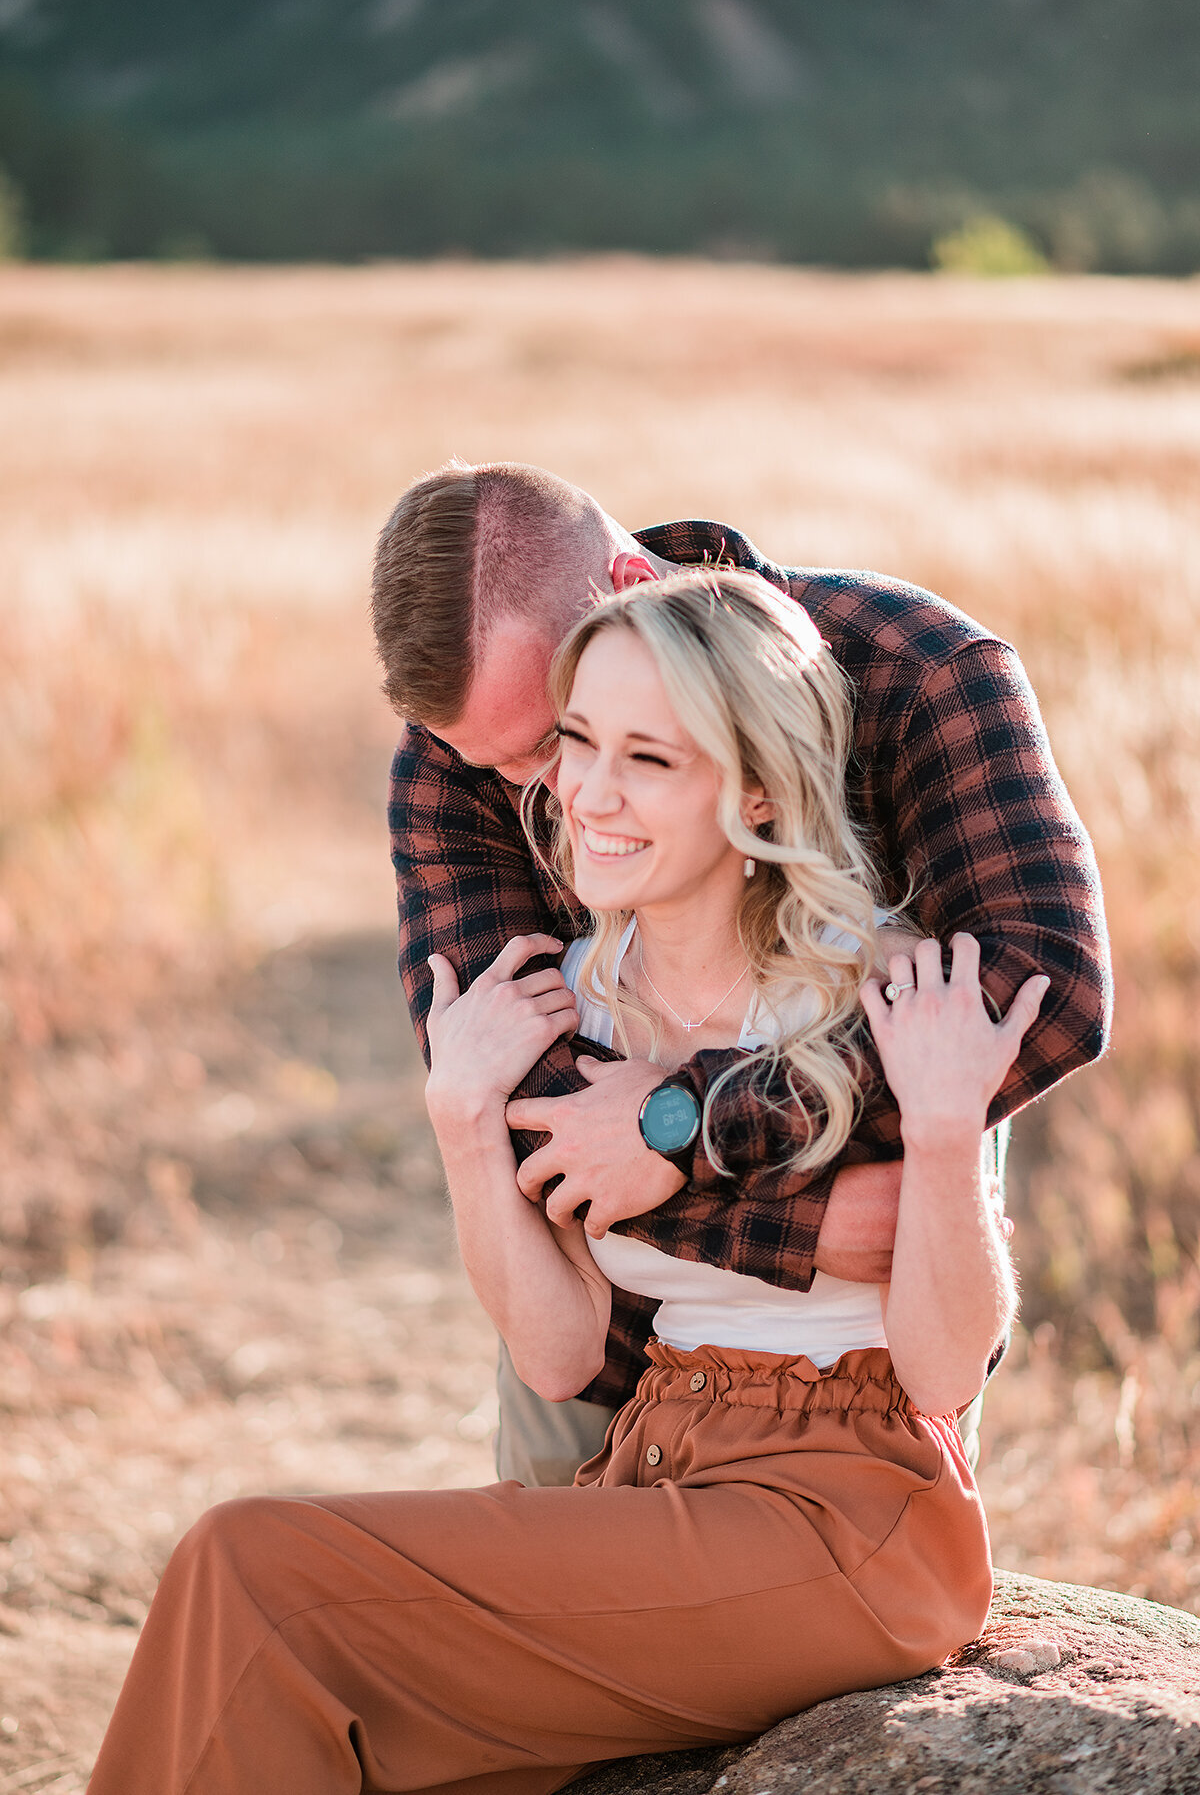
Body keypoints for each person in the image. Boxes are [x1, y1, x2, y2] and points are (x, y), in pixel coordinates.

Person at [88, 571, 1050, 1795]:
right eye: (581, 741)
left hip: (845, 1508)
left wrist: (954, 1128)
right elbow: (557, 1352)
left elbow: (942, 1370)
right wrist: (462, 1119)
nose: (589, 794)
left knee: (253, 1569)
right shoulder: (578, 1001)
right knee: (371, 1732)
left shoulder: (878, 989)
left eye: (650, 759)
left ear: (756, 788)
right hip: (655, 1469)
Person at [378, 461, 1111, 1486]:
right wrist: (805, 1225)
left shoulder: (915, 665)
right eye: (508, 765)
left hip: (873, 1333)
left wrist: (686, 1126)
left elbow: (1045, 988)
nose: (561, 794)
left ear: (631, 585)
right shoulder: (456, 757)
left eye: (562, 735)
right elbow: (531, 1112)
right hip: (609, 1317)